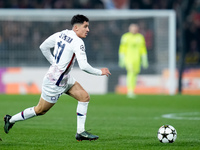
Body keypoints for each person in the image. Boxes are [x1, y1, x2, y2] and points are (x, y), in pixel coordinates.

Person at [4, 14, 111, 141]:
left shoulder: (61, 34)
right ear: (76, 28)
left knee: (84, 97)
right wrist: (100, 72)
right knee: (40, 110)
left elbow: (43, 47)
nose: (88, 29)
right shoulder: (78, 42)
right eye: (85, 26)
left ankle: (80, 132)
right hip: (54, 82)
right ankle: (10, 119)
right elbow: (84, 66)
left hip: (64, 77)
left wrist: (54, 63)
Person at [118, 23, 148, 98]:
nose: (134, 30)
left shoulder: (140, 37)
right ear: (129, 29)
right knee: (130, 72)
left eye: (135, 28)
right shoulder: (125, 37)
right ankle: (130, 90)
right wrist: (121, 58)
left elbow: (143, 49)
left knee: (135, 74)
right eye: (132, 28)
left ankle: (132, 90)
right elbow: (122, 48)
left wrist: (144, 59)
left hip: (137, 59)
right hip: (128, 59)